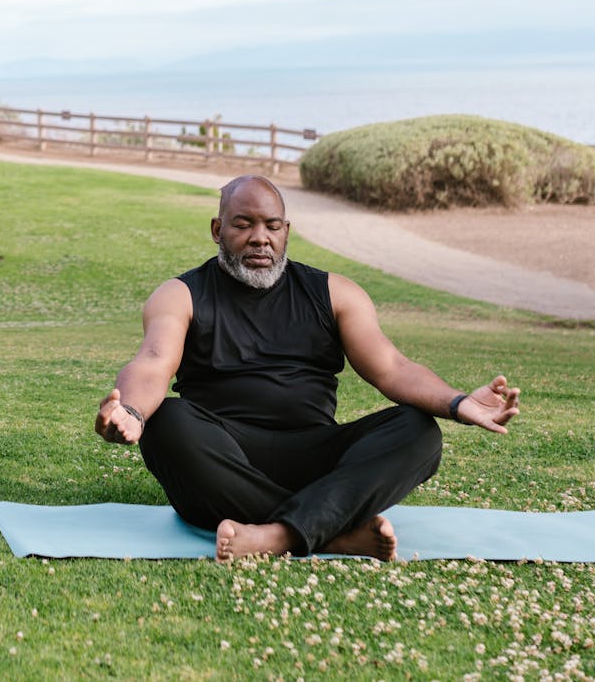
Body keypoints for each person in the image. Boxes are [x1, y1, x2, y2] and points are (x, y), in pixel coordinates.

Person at [95, 174, 520, 561]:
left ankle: (275, 536)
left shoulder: (335, 292)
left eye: (272, 226)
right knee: (167, 420)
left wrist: (458, 402)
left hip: (317, 454)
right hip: (223, 457)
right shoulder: (180, 294)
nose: (260, 238)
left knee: (418, 430)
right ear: (217, 230)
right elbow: (153, 361)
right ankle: (330, 530)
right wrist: (131, 411)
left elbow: (392, 367)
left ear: (286, 231)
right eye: (243, 224)